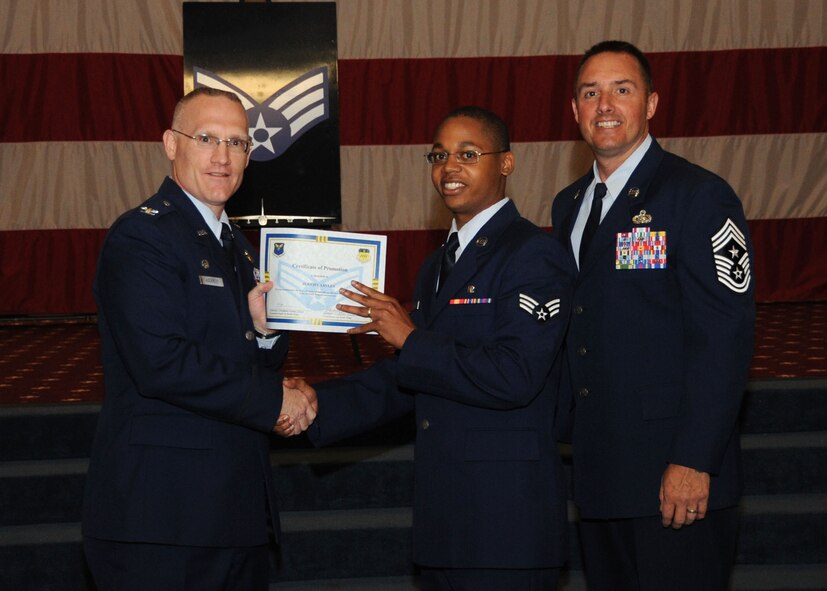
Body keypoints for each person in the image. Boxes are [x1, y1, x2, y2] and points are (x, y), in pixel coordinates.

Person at [282, 106, 574, 590]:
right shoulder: (437, 264)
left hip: (505, 526)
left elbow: (515, 375)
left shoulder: (532, 255)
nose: (449, 167)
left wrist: (412, 337)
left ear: (506, 163)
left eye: (467, 153)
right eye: (439, 155)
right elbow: (409, 376)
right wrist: (316, 404)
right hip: (446, 520)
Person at [82, 87, 317, 591]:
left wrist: (265, 333)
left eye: (236, 143)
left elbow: (240, 354)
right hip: (161, 516)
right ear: (171, 143)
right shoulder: (142, 237)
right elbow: (161, 362)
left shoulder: (237, 245)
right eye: (207, 138)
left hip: (232, 511)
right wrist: (277, 399)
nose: (222, 157)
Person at [551, 40, 755, 590]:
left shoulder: (699, 196)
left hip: (676, 477)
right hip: (600, 474)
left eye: (623, 90)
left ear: (652, 104)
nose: (605, 106)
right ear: (574, 111)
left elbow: (724, 338)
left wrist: (694, 460)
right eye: (590, 93)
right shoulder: (568, 205)